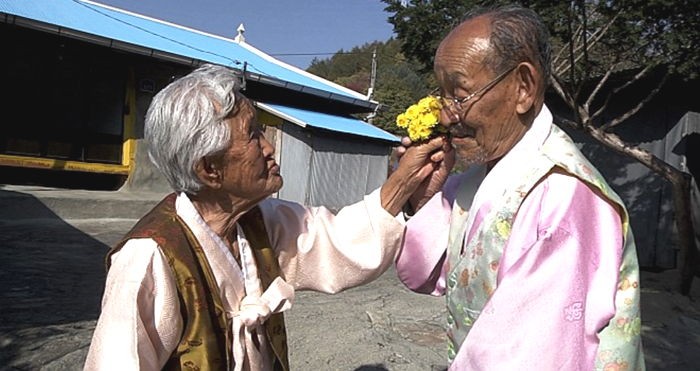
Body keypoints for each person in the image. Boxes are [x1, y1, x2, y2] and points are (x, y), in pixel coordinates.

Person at [84, 64, 447, 370]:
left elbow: (341, 241)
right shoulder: (148, 258)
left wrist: (407, 182)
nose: (270, 146)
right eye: (254, 135)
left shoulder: (260, 221)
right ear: (210, 169)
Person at [395, 4, 645, 370]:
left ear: (523, 88)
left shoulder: (563, 199)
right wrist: (423, 195)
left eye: (460, 95)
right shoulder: (479, 177)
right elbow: (422, 270)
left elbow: (525, 357)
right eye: (442, 95)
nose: (446, 114)